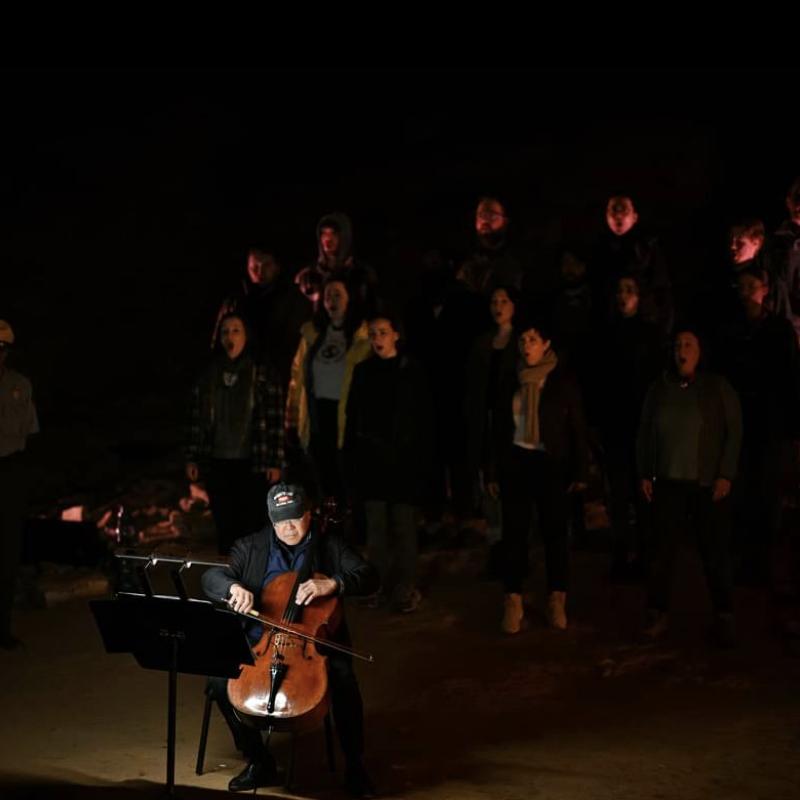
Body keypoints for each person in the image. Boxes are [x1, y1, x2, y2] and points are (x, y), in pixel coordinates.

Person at [201, 482, 379, 797]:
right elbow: (212, 577)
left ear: (309, 514)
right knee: (218, 681)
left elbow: (368, 576)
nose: (288, 526)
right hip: (260, 643)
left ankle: (355, 764)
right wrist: (232, 588)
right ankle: (258, 759)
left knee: (343, 679)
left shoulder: (331, 546)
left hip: (314, 646)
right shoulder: (250, 546)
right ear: (271, 519)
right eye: (281, 519)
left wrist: (334, 584)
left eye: (295, 518)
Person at [637, 328, 742, 647]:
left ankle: (724, 616)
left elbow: (734, 431)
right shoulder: (660, 388)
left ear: (700, 350)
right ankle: (658, 614)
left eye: (688, 344)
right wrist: (645, 471)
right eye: (677, 344)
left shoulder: (716, 387)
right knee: (661, 552)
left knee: (713, 553)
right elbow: (644, 432)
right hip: (668, 482)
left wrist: (725, 473)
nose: (681, 350)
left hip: (705, 483)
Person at [487, 314, 590, 633]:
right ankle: (513, 600)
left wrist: (580, 469)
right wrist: (491, 469)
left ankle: (557, 598)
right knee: (514, 533)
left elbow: (577, 428)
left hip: (550, 463)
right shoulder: (511, 379)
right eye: (522, 340)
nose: (526, 345)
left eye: (533, 339)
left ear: (546, 344)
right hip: (517, 460)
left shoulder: (561, 380)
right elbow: (497, 428)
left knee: (555, 534)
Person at [187, 313, 284, 554]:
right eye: (225, 331)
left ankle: (253, 577)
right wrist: (193, 456)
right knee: (224, 524)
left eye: (236, 330)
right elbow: (197, 419)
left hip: (251, 460)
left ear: (246, 335)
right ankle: (229, 580)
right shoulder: (210, 373)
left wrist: (275, 460)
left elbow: (274, 418)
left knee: (250, 522)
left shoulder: (260, 371)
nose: (230, 336)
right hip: (217, 459)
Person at [0, 319, 39, 650]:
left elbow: (29, 433)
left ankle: (3, 626)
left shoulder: (19, 384)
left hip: (10, 467)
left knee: (8, 550)